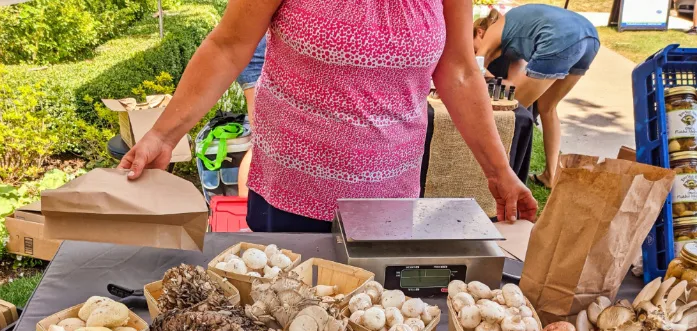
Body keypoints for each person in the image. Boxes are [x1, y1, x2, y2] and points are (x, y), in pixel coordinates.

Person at [120, 0, 537, 232]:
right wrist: (163, 134)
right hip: (289, 195)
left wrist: (500, 171)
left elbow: (460, 70)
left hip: (389, 199)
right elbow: (228, 46)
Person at [474, 5, 600, 189]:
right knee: (547, 107)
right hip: (589, 37)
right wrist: (491, 78)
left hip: (560, 35)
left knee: (512, 115)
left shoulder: (494, 30)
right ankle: (551, 174)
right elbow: (515, 85)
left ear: (479, 32)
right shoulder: (516, 37)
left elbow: (476, 65)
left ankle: (502, 177)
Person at [235, 36, 266, 197]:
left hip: (254, 55)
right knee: (262, 144)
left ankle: (244, 210)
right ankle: (243, 210)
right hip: (261, 59)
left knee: (261, 144)